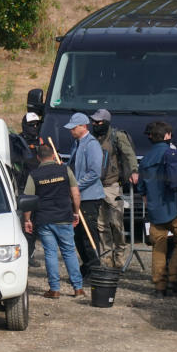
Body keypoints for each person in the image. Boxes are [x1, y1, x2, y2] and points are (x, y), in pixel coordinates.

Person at [136, 121, 177, 298]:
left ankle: (160, 287)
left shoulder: (145, 160)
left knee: (158, 248)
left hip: (155, 210)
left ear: (151, 137)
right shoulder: (176, 153)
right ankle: (174, 280)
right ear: (166, 135)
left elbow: (141, 188)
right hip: (176, 208)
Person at [23, 144, 85, 299]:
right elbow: (76, 194)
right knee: (69, 252)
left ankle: (55, 289)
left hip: (45, 219)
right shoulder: (65, 170)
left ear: (38, 158)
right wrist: (75, 213)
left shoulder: (34, 175)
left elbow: (28, 199)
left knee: (50, 253)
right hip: (64, 217)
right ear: (53, 155)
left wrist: (27, 220)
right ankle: (78, 288)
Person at [90, 109, 139, 268]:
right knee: (101, 225)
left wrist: (134, 171)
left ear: (106, 122)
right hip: (95, 186)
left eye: (98, 122)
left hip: (112, 186)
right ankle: (106, 258)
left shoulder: (117, 136)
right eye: (94, 121)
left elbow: (129, 154)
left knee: (116, 223)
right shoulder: (91, 138)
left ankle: (120, 255)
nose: (95, 124)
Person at [65, 112, 103, 278]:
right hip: (76, 196)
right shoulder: (76, 144)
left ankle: (95, 268)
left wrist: (76, 186)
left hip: (89, 197)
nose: (71, 131)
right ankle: (87, 266)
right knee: (78, 236)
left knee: (89, 235)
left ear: (83, 126)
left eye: (74, 128)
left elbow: (95, 172)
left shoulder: (92, 145)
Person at [14, 112, 45, 267]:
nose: (34, 128)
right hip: (22, 188)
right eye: (31, 125)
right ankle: (20, 255)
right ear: (25, 125)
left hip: (39, 188)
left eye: (37, 125)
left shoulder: (42, 141)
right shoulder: (18, 142)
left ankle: (30, 254)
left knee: (34, 223)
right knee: (22, 222)